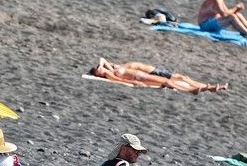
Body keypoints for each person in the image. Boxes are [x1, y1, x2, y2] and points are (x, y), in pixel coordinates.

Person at [89, 58, 228, 93]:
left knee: (181, 78)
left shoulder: (113, 67)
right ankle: (193, 90)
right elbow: (118, 80)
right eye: (98, 71)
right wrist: (136, 83)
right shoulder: (110, 73)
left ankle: (206, 87)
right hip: (140, 77)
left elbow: (102, 60)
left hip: (143, 74)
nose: (100, 69)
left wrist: (103, 66)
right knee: (169, 82)